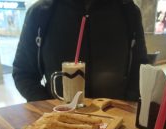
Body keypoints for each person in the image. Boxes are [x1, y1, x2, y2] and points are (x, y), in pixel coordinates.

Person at [13, 0, 148, 102]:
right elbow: (23, 73)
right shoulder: (41, 13)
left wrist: (125, 106)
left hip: (117, 121)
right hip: (60, 122)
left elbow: (141, 70)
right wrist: (49, 108)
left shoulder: (128, 11)